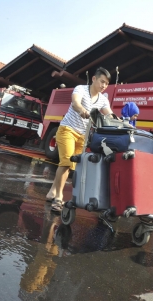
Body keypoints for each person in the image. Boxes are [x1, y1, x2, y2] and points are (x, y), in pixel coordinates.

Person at [47, 67, 113, 213]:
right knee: (66, 162)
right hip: (67, 129)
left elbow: (109, 114)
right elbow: (75, 102)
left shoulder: (103, 99)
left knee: (72, 166)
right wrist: (82, 110)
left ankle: (52, 191)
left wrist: (119, 122)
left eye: (106, 84)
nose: (103, 86)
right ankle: (58, 198)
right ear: (94, 79)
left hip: (82, 136)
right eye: (102, 81)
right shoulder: (81, 89)